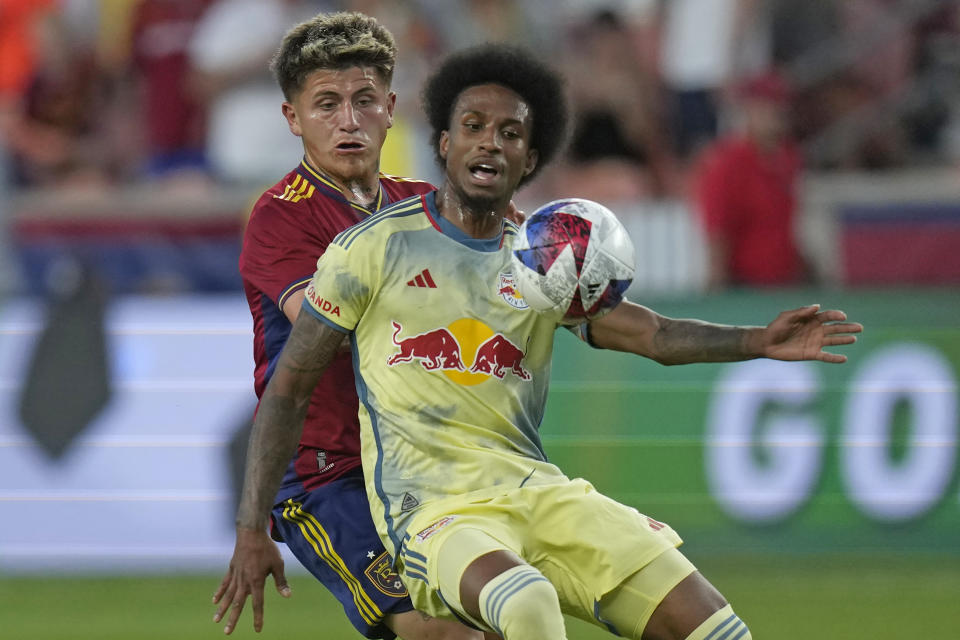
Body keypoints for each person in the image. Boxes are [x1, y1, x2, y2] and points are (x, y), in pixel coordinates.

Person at [231, 44, 862, 640]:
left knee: (713, 626)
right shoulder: (371, 249)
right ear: (444, 145)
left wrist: (759, 339)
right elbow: (289, 386)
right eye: (473, 126)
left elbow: (654, 333)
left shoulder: (540, 259)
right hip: (436, 509)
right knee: (523, 604)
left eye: (510, 133)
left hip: (539, 491)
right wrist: (251, 524)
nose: (490, 142)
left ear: (530, 161)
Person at [213, 12, 493, 640]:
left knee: (502, 616)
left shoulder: (425, 204)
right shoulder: (280, 219)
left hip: (422, 466)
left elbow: (522, 264)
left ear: (391, 108)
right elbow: (330, 327)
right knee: (432, 630)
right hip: (326, 473)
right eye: (327, 104)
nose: (348, 120)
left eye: (364, 100)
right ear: (293, 118)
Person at [693, 69, 808, 290]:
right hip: (745, 287)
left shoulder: (789, 158)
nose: (776, 112)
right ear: (748, 109)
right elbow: (717, 234)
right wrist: (717, 294)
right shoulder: (728, 162)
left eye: (780, 104)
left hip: (785, 282)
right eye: (767, 105)